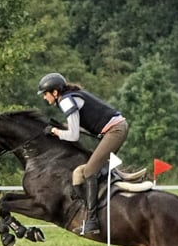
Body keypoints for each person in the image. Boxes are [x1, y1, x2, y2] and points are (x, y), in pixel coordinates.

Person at [37, 72, 129, 235]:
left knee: (89, 172)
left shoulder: (66, 100)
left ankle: (92, 221)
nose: (44, 98)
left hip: (115, 131)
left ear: (55, 92)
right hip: (115, 129)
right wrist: (60, 128)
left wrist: (55, 131)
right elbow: (78, 126)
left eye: (45, 94)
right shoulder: (69, 97)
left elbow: (73, 136)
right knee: (87, 169)